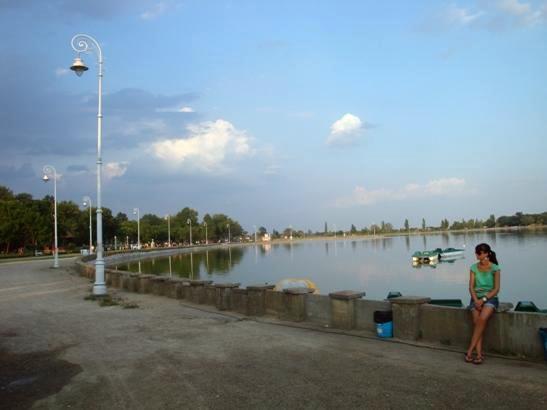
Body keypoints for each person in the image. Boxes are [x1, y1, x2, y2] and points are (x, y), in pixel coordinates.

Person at [465, 243, 500, 364]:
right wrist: (476, 301)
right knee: (477, 323)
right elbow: (471, 287)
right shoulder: (473, 268)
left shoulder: (495, 268)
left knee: (482, 319)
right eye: (476, 252)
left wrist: (483, 300)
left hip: (490, 298)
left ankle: (469, 351)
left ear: (485, 254)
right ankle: (479, 355)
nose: (476, 255)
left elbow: (496, 289)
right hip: (475, 299)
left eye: (478, 253)